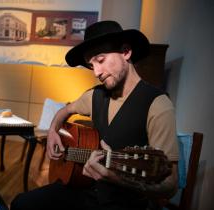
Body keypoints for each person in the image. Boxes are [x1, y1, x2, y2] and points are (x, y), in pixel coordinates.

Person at [11, 20, 179, 210]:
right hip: (85, 190)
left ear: (126, 52)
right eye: (92, 66)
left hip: (125, 204)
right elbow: (64, 110)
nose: (97, 72)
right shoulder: (94, 96)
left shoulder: (157, 105)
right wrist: (52, 131)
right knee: (21, 204)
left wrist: (115, 178)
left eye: (100, 60)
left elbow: (170, 185)